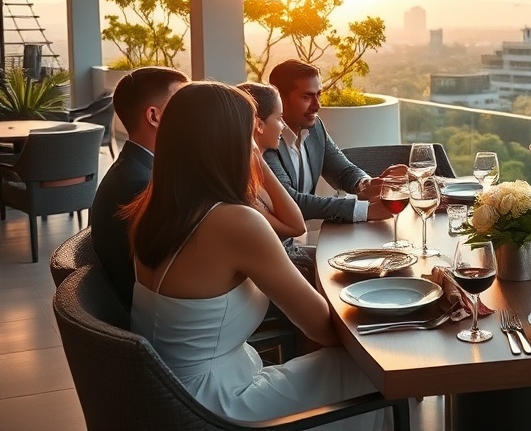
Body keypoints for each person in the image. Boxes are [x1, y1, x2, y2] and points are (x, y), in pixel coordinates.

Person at [127, 82, 390, 428]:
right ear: (227, 142)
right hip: (215, 409)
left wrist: (254, 164)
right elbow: (322, 328)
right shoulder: (235, 222)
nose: (256, 143)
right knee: (370, 367)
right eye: (249, 132)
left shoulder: (151, 210)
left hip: (168, 396)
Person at [90, 66, 188, 309]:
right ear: (154, 116)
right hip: (149, 315)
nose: (192, 114)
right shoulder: (138, 184)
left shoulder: (139, 168)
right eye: (182, 105)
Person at [264, 59, 399, 223]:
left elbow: (343, 171)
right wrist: (365, 211)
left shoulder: (315, 127)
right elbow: (290, 200)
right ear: (278, 97)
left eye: (318, 95)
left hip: (296, 242)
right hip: (274, 244)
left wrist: (365, 185)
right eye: (307, 97)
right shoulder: (266, 140)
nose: (316, 106)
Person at [237, 81, 313, 281]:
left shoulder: (257, 168)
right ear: (258, 125)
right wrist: (257, 158)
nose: (284, 125)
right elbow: (297, 226)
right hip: (274, 276)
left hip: (291, 258)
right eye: (279, 118)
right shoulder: (240, 183)